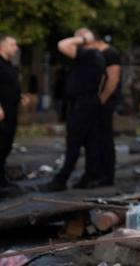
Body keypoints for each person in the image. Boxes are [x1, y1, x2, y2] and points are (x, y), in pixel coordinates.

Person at [40, 29, 105, 191]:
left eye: (78, 36)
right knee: (90, 142)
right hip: (85, 102)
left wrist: (82, 38)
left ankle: (62, 179)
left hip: (82, 103)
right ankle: (90, 177)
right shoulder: (91, 56)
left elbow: (62, 45)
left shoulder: (89, 54)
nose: (75, 39)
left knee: (74, 142)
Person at [75, 35, 121, 188]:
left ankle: (107, 175)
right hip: (97, 101)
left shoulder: (110, 54)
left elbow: (113, 78)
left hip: (104, 103)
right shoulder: (100, 54)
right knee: (95, 139)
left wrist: (102, 99)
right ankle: (96, 173)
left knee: (104, 138)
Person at [0, 34, 27, 192]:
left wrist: (19, 95)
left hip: (11, 111)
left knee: (5, 146)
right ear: (2, 45)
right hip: (2, 113)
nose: (16, 48)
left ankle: (2, 181)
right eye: (12, 45)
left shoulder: (8, 64)